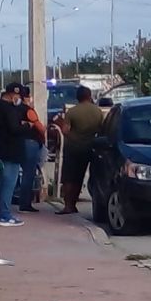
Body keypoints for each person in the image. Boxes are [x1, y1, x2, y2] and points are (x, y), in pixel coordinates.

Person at [56, 86, 103, 215]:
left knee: (69, 178)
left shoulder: (72, 112)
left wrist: (73, 136)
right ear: (89, 96)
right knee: (80, 177)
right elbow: (101, 129)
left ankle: (69, 206)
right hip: (90, 147)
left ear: (78, 97)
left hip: (73, 148)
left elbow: (65, 130)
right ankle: (75, 203)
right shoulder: (98, 111)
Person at [0, 83, 30, 226]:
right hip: (11, 150)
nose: (20, 99)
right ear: (13, 94)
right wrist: (27, 125)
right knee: (9, 183)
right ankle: (4, 215)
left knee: (4, 182)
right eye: (19, 96)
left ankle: (3, 211)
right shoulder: (8, 109)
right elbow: (14, 128)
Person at [17, 86, 46, 213]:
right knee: (29, 174)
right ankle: (25, 204)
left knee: (18, 172)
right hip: (30, 143)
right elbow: (40, 127)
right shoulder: (28, 110)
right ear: (27, 97)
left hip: (18, 142)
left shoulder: (14, 110)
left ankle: (20, 200)